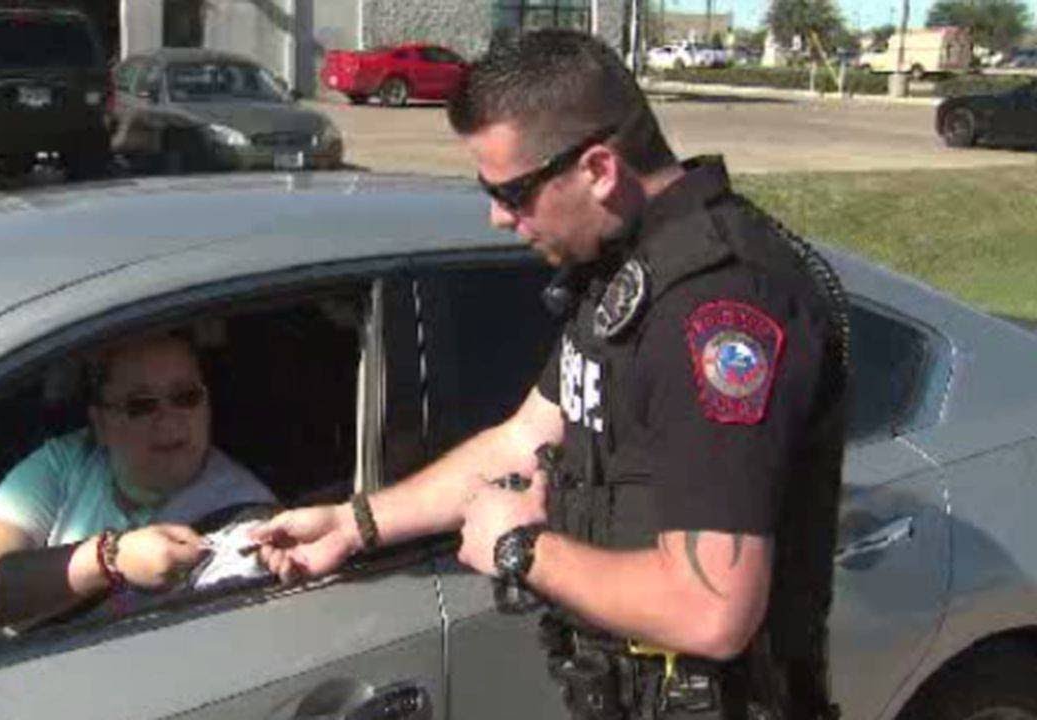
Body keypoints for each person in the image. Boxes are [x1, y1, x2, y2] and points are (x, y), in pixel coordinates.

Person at [253, 29, 848, 720]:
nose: (497, 216)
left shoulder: (718, 310)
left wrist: (522, 547)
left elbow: (711, 607)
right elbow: (525, 437)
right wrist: (354, 524)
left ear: (598, 168)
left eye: (512, 192)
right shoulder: (629, 272)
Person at [0, 331, 276, 629]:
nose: (168, 419)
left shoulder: (247, 518)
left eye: (186, 397)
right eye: (140, 405)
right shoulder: (68, 461)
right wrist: (110, 559)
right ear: (100, 423)